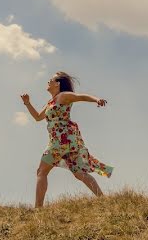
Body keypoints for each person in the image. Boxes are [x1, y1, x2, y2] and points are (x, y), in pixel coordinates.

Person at [20, 71, 114, 208]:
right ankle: (104, 200)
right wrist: (27, 103)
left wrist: (96, 100)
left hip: (60, 140)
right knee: (78, 173)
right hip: (68, 141)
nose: (48, 82)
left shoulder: (63, 96)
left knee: (41, 171)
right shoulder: (51, 102)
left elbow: (80, 96)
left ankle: (38, 210)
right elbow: (38, 117)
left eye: (51, 80)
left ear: (58, 83)